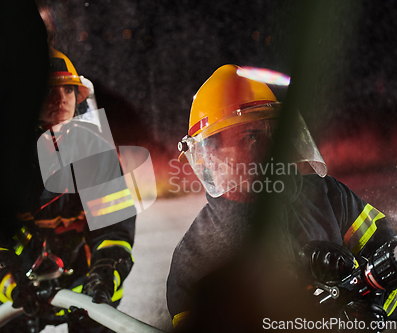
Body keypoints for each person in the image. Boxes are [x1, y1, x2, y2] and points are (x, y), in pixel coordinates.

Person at [167, 64, 397, 332]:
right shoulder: (194, 261)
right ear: (211, 158)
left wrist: (372, 310)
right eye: (250, 137)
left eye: (273, 133)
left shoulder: (328, 195)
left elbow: (389, 257)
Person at [0, 47, 136, 333]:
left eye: (69, 90)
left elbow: (114, 228)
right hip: (21, 278)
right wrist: (11, 279)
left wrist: (105, 275)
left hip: (87, 278)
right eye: (49, 90)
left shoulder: (97, 152)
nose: (60, 99)